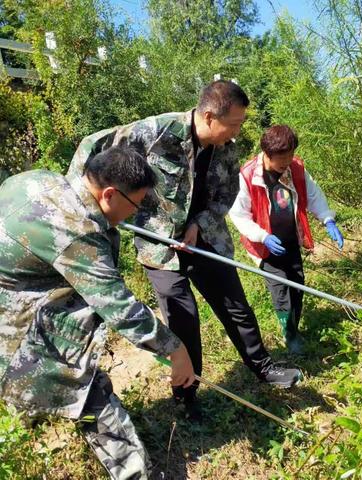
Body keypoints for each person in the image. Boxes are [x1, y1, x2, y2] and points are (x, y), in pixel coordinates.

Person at [67, 80, 302, 422]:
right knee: (183, 319)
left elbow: (225, 195)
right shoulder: (157, 132)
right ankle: (187, 395)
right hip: (160, 246)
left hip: (206, 240)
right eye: (234, 123)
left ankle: (264, 368)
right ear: (209, 116)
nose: (237, 131)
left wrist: (200, 223)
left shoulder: (227, 149)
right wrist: (80, 209)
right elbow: (93, 145)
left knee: (235, 304)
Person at [0, 146, 195, 480]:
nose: (134, 215)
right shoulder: (74, 231)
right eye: (134, 205)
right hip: (13, 315)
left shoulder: (41, 179)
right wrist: (176, 350)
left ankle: (25, 409)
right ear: (108, 193)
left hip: (18, 285)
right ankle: (136, 473)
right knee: (82, 385)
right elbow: (118, 305)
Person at [229, 125, 344, 355]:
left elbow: (313, 196)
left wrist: (327, 219)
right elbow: (238, 214)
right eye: (282, 159)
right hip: (265, 247)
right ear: (267, 154)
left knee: (297, 285)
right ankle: (290, 335)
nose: (287, 162)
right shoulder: (248, 175)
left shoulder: (296, 169)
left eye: (291, 155)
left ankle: (294, 326)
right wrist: (263, 236)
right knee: (281, 290)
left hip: (291, 241)